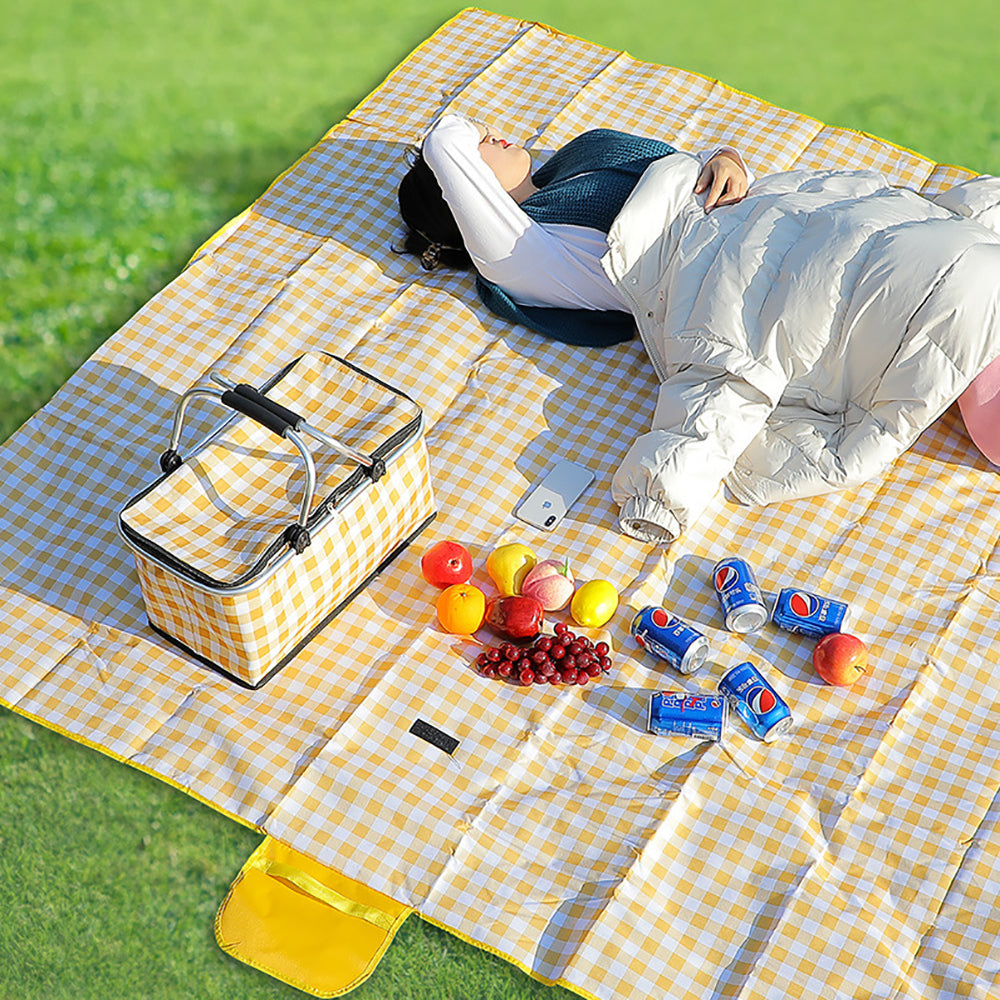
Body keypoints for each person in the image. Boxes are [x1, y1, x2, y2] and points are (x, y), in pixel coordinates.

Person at [397, 114, 1000, 543]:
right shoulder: (523, 252)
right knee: (949, 288)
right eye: (478, 145)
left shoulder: (584, 156)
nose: (486, 130)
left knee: (939, 240)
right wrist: (457, 143)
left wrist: (725, 159)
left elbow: (680, 169)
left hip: (767, 216)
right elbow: (446, 138)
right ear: (458, 197)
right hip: (711, 279)